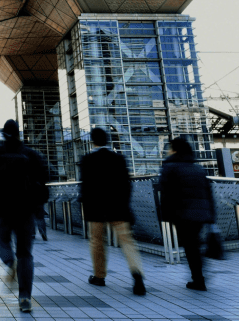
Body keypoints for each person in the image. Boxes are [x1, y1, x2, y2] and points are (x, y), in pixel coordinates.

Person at [0, 119, 48, 313]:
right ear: (19, 133)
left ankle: (10, 263)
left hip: (4, 208)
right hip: (26, 209)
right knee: (25, 253)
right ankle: (25, 297)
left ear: (3, 134)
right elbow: (43, 177)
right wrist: (38, 205)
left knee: (3, 242)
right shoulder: (30, 154)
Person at [79, 127, 145, 296]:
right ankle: (137, 274)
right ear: (107, 140)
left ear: (92, 141)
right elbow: (127, 184)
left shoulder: (87, 160)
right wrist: (125, 205)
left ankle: (99, 276)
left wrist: (85, 206)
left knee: (97, 241)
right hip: (118, 207)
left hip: (96, 209)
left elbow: (85, 187)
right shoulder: (119, 159)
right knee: (127, 241)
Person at [158, 136, 215, 291]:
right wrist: (211, 215)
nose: (167, 150)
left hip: (182, 213)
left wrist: (164, 216)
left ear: (174, 149)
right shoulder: (197, 168)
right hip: (201, 214)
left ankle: (198, 280)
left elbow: (165, 193)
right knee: (194, 245)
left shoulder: (169, 166)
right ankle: (199, 276)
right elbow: (208, 193)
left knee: (191, 246)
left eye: (169, 147)